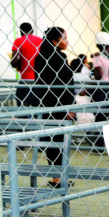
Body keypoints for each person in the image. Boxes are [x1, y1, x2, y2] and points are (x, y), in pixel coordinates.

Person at [34, 27, 76, 187]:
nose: (67, 41)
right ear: (54, 41)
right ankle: (59, 177)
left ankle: (55, 177)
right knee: (61, 140)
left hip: (46, 104)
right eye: (64, 38)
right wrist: (70, 107)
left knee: (51, 140)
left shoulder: (40, 57)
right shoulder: (60, 57)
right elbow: (67, 84)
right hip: (60, 105)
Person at [10, 22, 42, 106]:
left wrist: (19, 63)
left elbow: (14, 62)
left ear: (21, 32)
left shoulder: (19, 41)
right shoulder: (40, 40)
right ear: (32, 31)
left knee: (22, 105)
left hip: (25, 79)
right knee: (38, 106)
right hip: (39, 79)